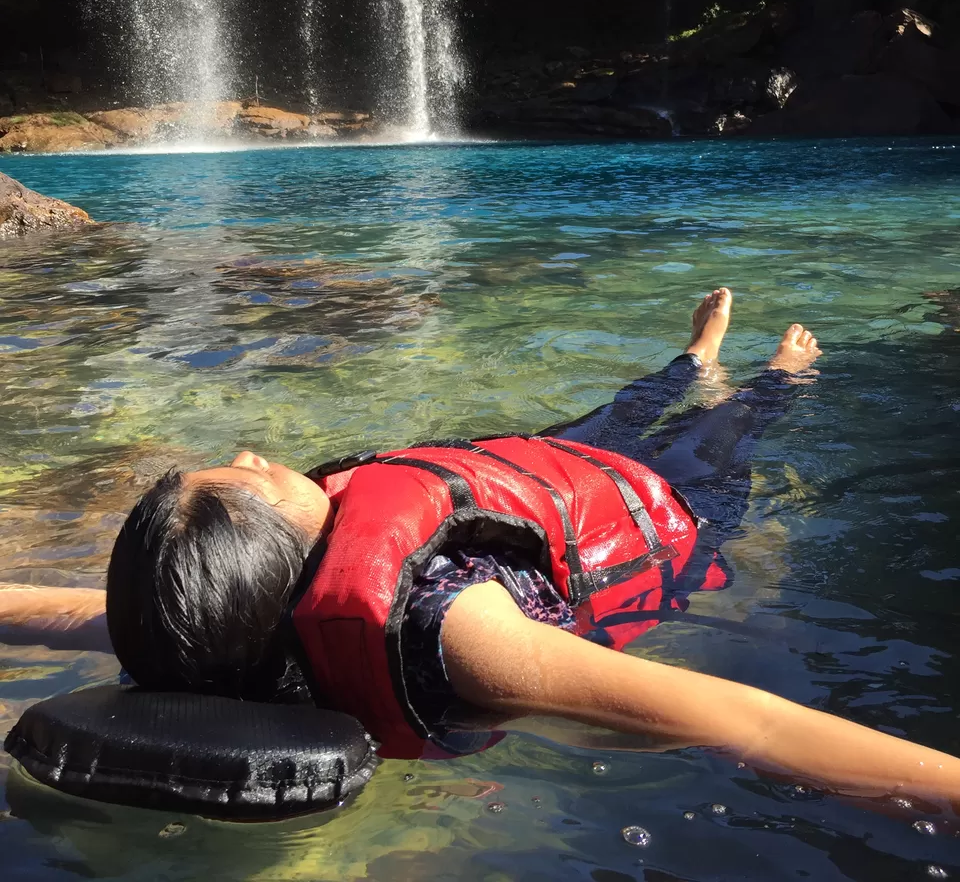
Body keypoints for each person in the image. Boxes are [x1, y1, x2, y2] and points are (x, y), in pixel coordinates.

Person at [2, 289, 960, 811]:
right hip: (659, 510)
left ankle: (692, 359)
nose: (249, 452)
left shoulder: (218, 621)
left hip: (541, 483)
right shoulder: (459, 632)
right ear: (271, 557)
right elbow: (743, 722)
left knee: (617, 411)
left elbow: (42, 607)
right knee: (726, 433)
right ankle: (775, 373)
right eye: (244, 480)